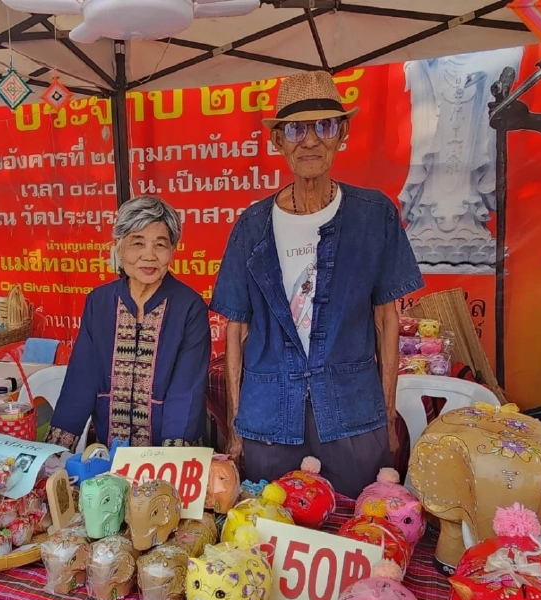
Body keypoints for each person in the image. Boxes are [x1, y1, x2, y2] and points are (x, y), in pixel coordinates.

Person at [210, 71, 424, 497]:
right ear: (278, 141)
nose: (310, 141)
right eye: (295, 129)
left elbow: (387, 320)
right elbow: (235, 330)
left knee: (357, 533)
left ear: (341, 132)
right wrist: (235, 427)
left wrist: (385, 415)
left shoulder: (373, 215)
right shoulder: (252, 225)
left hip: (352, 415)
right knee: (269, 534)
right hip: (269, 418)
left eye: (324, 125)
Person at [45, 196, 210, 451]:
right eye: (138, 243)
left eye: (160, 245)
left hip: (169, 451)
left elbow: (185, 393)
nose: (149, 255)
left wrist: (170, 461)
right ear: (119, 247)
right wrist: (54, 454)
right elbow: (81, 381)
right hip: (110, 450)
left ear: (172, 250)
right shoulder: (99, 303)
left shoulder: (190, 308)